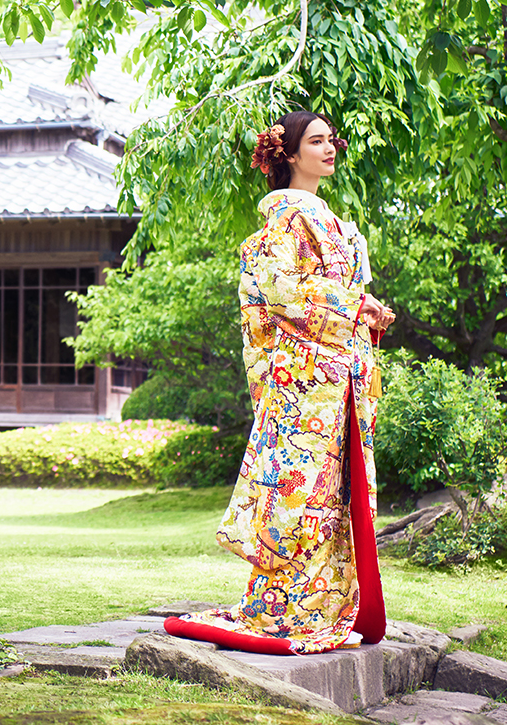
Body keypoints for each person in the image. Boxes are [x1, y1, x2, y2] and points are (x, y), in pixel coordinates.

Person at [164, 111, 396, 656]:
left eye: (331, 139)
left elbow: (326, 293)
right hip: (303, 382)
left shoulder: (335, 223)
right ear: (289, 154)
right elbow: (283, 295)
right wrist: (356, 305)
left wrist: (366, 313)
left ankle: (328, 602)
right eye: (316, 141)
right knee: (299, 491)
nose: (330, 147)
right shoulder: (284, 222)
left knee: (334, 495)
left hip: (338, 377)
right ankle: (288, 604)